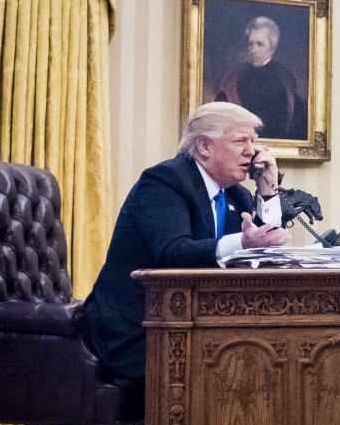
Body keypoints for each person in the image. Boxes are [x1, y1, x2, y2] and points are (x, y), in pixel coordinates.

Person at [84, 102, 291, 382]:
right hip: (137, 330)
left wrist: (267, 190)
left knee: (272, 359)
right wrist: (241, 244)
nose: (252, 151)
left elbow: (264, 251)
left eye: (254, 142)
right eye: (241, 140)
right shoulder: (165, 181)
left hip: (194, 325)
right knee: (241, 371)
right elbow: (174, 253)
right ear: (205, 146)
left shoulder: (236, 196)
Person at [215, 16, 307, 140]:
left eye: (260, 44)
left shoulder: (284, 78)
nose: (253, 50)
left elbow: (294, 120)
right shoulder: (235, 76)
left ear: (272, 48)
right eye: (250, 44)